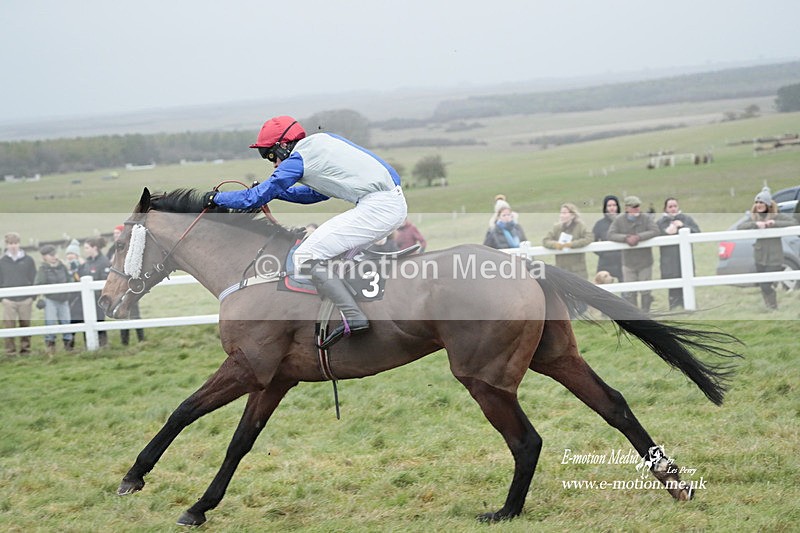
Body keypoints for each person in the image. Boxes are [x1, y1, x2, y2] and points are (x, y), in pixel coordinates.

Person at [203, 115, 407, 348]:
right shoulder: (321, 143)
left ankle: (354, 315)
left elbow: (253, 198)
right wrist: (276, 191)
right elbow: (315, 194)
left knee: (305, 256)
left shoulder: (298, 159)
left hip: (379, 206)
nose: (274, 164)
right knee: (326, 253)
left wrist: (214, 198)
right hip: (388, 202)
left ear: (283, 145)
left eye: (270, 155)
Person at [737, 187, 796, 310]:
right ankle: (770, 307)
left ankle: (773, 307)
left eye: (761, 202)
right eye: (757, 202)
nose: (759, 205)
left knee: (766, 283)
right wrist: (755, 225)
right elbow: (740, 227)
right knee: (763, 284)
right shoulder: (754, 217)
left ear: (768, 204)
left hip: (775, 256)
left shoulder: (777, 216)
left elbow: (794, 222)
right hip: (760, 255)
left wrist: (774, 224)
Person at [607, 196, 660, 312]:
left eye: (638, 206)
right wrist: (626, 238)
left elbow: (655, 230)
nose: (637, 209)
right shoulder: (619, 220)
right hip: (628, 262)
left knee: (645, 289)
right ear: (627, 208)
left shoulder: (645, 218)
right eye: (634, 207)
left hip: (645, 261)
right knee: (630, 290)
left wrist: (639, 237)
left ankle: (646, 313)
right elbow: (611, 234)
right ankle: (634, 314)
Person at [656, 198, 701, 309]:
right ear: (665, 208)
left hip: (685, 258)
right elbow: (655, 235)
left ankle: (688, 304)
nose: (673, 209)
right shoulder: (661, 222)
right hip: (668, 259)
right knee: (672, 282)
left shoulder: (686, 219)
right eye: (670, 207)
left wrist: (683, 226)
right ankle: (674, 305)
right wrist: (666, 232)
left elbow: (697, 232)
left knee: (686, 278)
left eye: (675, 206)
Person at [0, 232, 37, 356]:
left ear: (19, 244)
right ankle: (10, 351)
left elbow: (33, 278)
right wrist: (2, 298)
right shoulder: (2, 262)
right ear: (7, 245)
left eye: (15, 243)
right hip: (8, 299)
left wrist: (32, 297)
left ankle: (25, 350)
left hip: (25, 299)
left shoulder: (28, 260)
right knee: (9, 325)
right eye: (11, 244)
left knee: (25, 324)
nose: (13, 246)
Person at [107, 225, 144, 345]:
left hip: (128, 283)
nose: (116, 236)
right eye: (114, 234)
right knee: (120, 310)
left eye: (118, 234)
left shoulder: (128, 247)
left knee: (134, 311)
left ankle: (141, 338)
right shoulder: (112, 249)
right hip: (118, 284)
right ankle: (125, 341)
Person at [34, 245, 74, 354]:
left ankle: (68, 346)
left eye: (54, 254)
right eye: (50, 255)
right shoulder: (43, 269)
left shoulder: (63, 266)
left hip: (64, 299)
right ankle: (50, 346)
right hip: (50, 299)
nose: (54, 257)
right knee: (50, 322)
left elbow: (70, 280)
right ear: (44, 257)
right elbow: (38, 283)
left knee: (66, 321)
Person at [542, 203, 592, 279]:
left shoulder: (581, 226)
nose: (561, 215)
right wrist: (555, 244)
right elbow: (545, 240)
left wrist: (571, 244)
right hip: (561, 269)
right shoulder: (556, 228)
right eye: (561, 213)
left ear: (573, 215)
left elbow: (589, 238)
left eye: (565, 213)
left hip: (578, 269)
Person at [79, 237, 111, 347]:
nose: (85, 250)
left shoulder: (104, 262)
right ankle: (89, 344)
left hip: (99, 298)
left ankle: (103, 344)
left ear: (94, 248)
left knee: (99, 320)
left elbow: (105, 280)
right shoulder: (87, 262)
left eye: (87, 248)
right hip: (88, 299)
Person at [592, 195, 623, 282]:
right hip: (605, 263)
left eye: (614, 205)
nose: (612, 208)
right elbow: (593, 241)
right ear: (605, 208)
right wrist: (603, 253)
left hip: (622, 261)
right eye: (609, 206)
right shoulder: (600, 224)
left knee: (626, 291)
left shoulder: (624, 222)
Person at [64, 239, 83, 350]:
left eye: (72, 254)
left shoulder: (80, 267)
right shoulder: (65, 267)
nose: (70, 256)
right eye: (68, 254)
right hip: (69, 298)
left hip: (79, 298)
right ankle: (69, 345)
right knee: (70, 321)